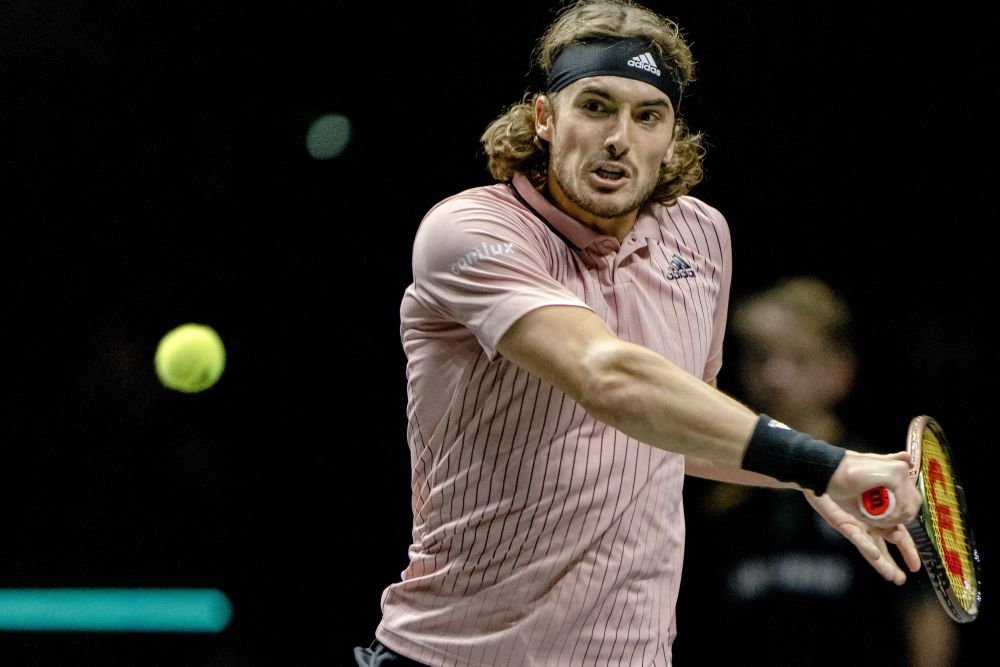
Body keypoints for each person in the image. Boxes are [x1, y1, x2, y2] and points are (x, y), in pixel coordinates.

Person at [355, 2, 922, 665]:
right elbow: (608, 377)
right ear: (545, 118)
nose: (619, 138)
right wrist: (820, 462)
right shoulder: (471, 231)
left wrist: (806, 476)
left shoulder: (701, 236)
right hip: (453, 654)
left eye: (648, 115)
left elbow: (677, 427)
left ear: (672, 136)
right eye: (595, 106)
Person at [678, 276, 960, 667]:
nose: (775, 376)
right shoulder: (713, 488)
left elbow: (924, 613)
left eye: (799, 359)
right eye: (760, 357)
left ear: (841, 369)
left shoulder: (883, 482)